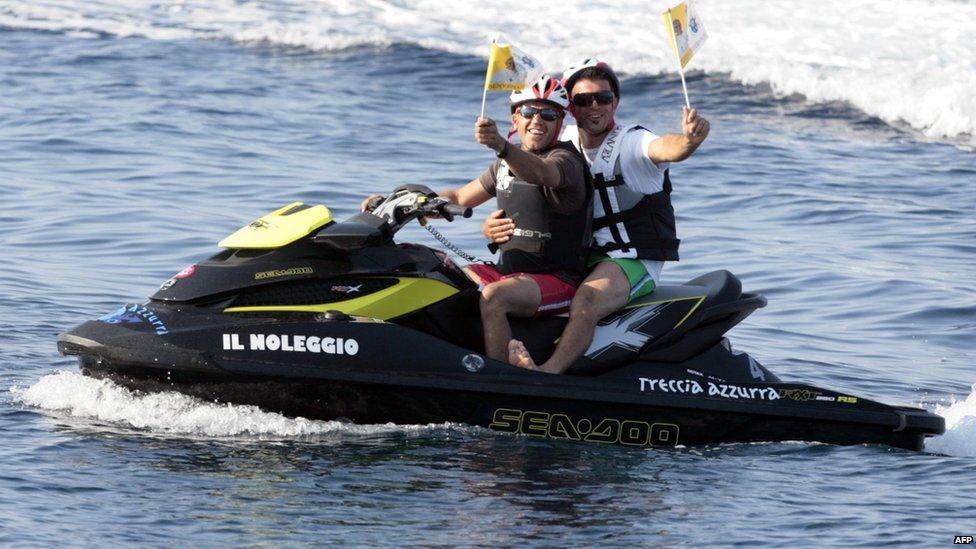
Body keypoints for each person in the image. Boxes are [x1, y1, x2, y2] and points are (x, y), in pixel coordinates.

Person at [483, 58, 710, 373]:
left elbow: (665, 147)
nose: (595, 106)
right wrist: (491, 224)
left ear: (615, 101)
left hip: (631, 258)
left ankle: (547, 375)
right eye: (583, 100)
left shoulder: (632, 142)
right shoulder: (565, 142)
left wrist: (687, 141)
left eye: (603, 97)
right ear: (571, 108)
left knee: (586, 301)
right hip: (580, 259)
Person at [363, 75, 591, 364]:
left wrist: (501, 145)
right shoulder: (503, 166)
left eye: (548, 114)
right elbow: (458, 198)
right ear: (515, 118)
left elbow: (541, 174)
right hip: (508, 271)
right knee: (436, 276)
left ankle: (499, 378)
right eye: (529, 111)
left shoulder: (565, 161)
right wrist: (399, 201)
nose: (538, 120)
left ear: (560, 122)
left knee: (494, 297)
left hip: (557, 279)